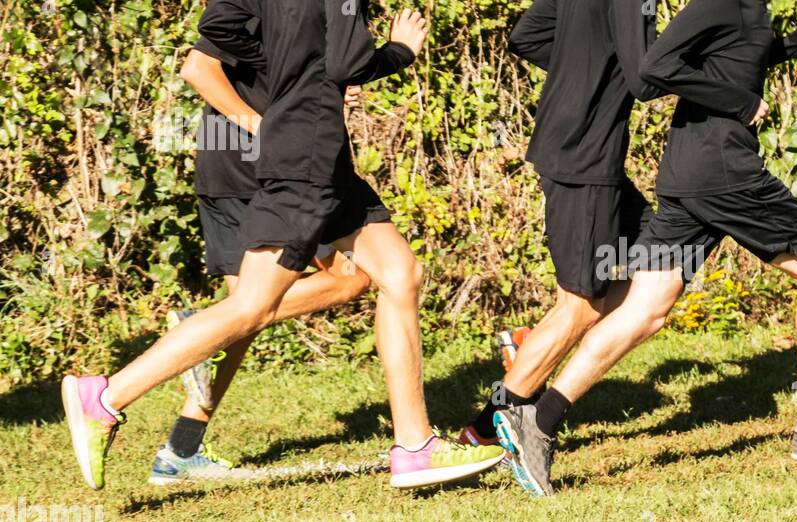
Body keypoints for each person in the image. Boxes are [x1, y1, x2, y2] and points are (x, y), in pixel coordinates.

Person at [61, 0, 503, 492]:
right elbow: (344, 62)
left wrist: (301, 73)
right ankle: (106, 397)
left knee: (398, 272)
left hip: (320, 159)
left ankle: (415, 446)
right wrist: (396, 52)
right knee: (250, 308)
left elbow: (229, 27)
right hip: (298, 158)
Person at [494, 0, 797, 496]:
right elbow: (655, 66)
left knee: (647, 309)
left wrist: (783, 47)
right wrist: (742, 104)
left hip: (690, 182)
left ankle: (539, 420)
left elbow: (721, 56)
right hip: (727, 177)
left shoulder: (748, 9)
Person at [146, 33, 373, 485]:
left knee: (244, 315)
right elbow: (198, 68)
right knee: (350, 278)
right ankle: (202, 329)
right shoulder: (251, 6)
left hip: (234, 170)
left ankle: (180, 449)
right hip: (263, 174)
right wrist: (265, 127)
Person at [454, 0, 666, 451]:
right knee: (582, 305)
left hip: (573, 152)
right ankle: (486, 425)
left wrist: (583, 70)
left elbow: (525, 36)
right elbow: (646, 77)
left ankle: (532, 342)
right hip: (585, 163)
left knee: (660, 269)